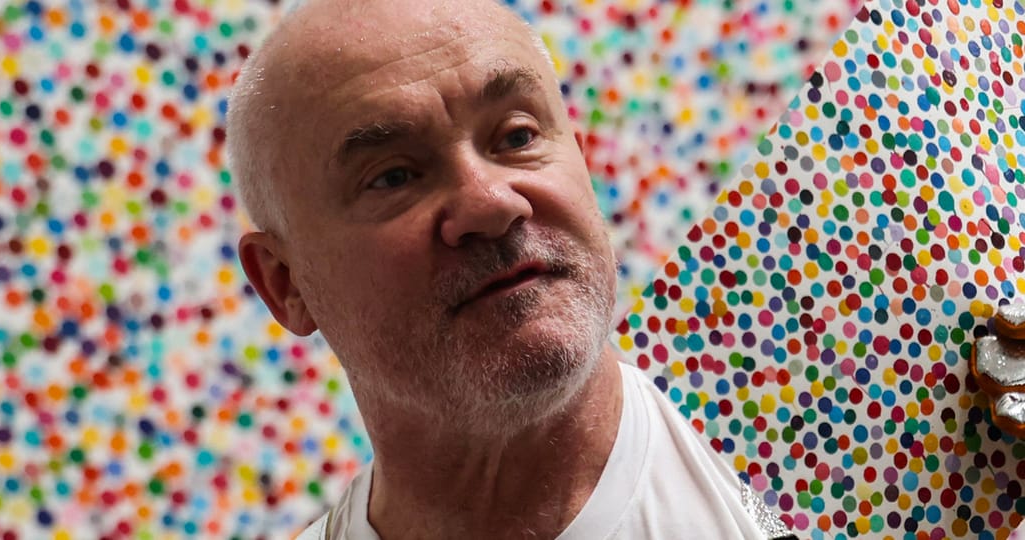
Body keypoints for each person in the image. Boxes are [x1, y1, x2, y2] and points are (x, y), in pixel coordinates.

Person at [227, 0, 796, 538]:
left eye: (518, 136)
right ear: (286, 283)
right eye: (393, 176)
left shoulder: (799, 458)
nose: (491, 203)